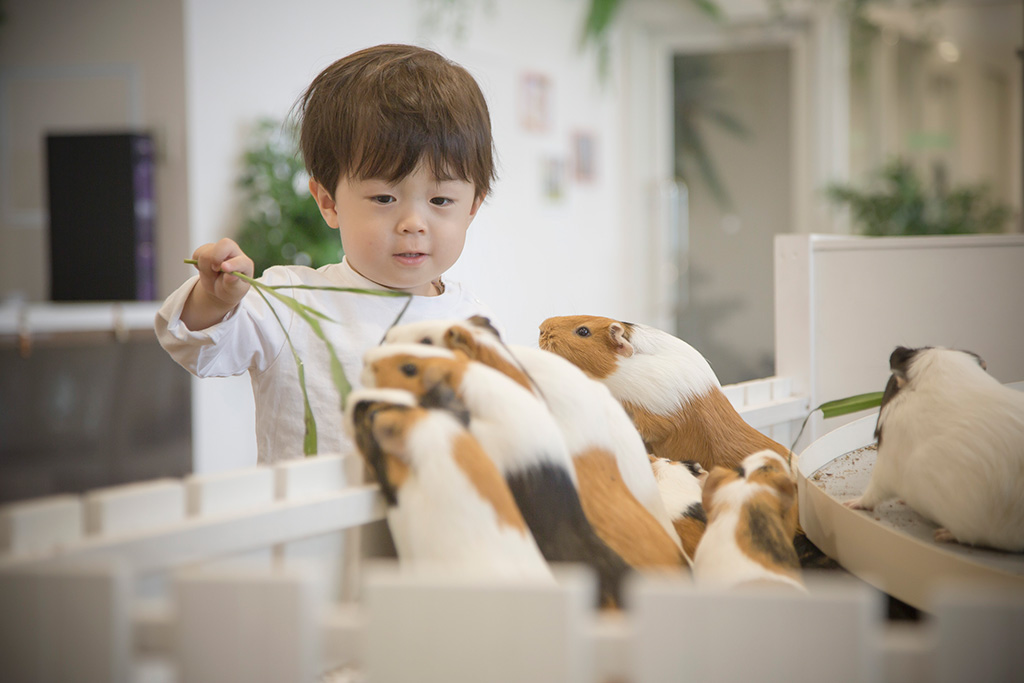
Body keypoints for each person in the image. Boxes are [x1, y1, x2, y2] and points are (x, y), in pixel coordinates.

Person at [155, 44, 498, 465]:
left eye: (441, 200)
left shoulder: (473, 322)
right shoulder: (293, 300)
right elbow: (192, 343)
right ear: (328, 202)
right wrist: (217, 298)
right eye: (385, 197)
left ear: (473, 207)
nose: (413, 222)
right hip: (313, 529)